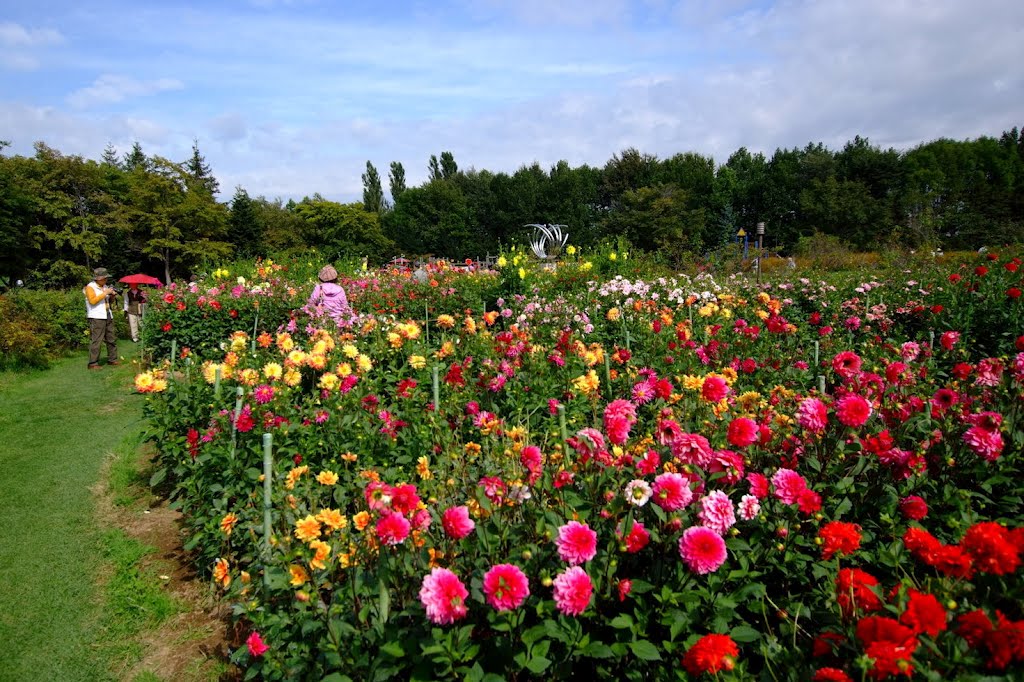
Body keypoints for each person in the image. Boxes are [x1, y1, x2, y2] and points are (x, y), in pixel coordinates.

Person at [83, 267, 119, 369]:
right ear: (98, 278)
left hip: (107, 314)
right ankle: (93, 363)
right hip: (96, 316)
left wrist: (112, 296)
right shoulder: (90, 287)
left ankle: (112, 359)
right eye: (105, 278)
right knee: (97, 340)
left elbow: (108, 302)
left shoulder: (105, 286)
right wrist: (105, 293)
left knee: (111, 338)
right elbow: (92, 301)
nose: (106, 280)